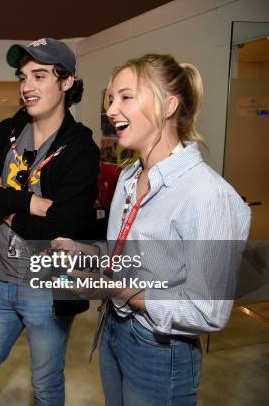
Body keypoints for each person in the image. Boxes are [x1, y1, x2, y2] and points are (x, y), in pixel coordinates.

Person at [54, 54, 251, 405]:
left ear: (169, 105)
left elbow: (209, 311)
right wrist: (89, 253)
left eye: (126, 97)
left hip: (160, 351)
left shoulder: (208, 196)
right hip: (114, 328)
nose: (112, 110)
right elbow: (130, 255)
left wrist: (119, 292)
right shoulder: (129, 176)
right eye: (111, 99)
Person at [0, 38, 99, 405]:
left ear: (66, 82)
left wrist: (0, 203)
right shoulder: (7, 132)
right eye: (23, 77)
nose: (26, 87)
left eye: (39, 75)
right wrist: (28, 201)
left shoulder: (81, 149)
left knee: (46, 387)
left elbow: (56, 231)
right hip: (0, 284)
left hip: (49, 287)